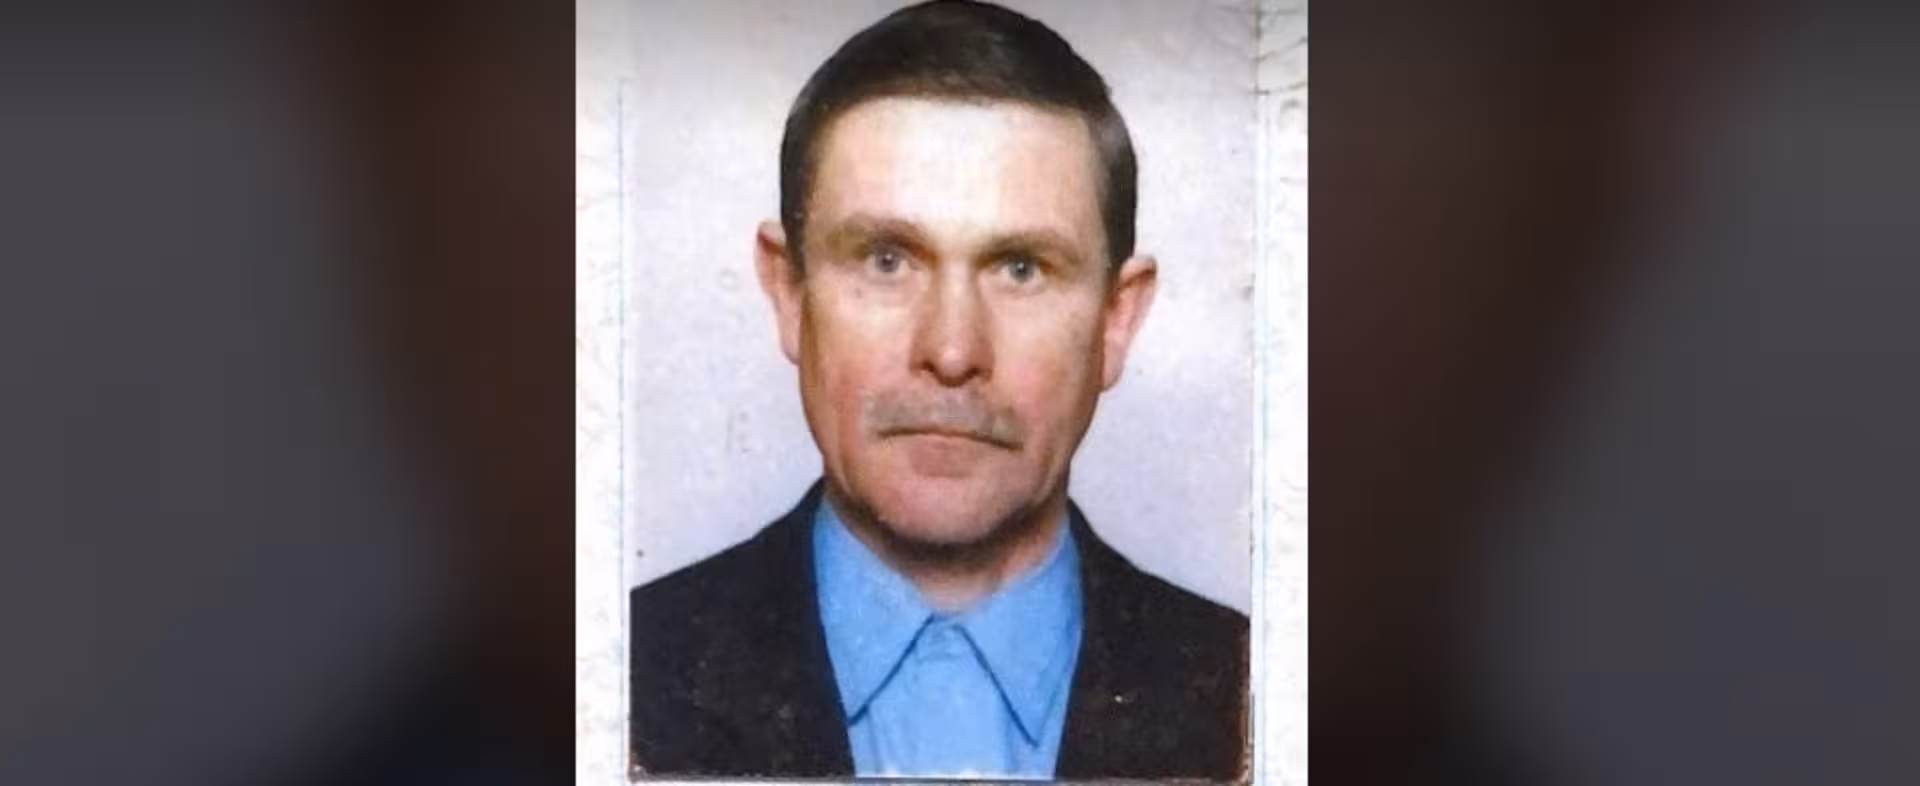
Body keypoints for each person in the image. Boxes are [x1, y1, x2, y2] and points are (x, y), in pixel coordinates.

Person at [628, 1, 1248, 780]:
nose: (952, 352)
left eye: (1021, 269)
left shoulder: (1259, 693)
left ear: (1115, 320)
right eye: (887, 260)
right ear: (789, 293)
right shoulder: (612, 676)